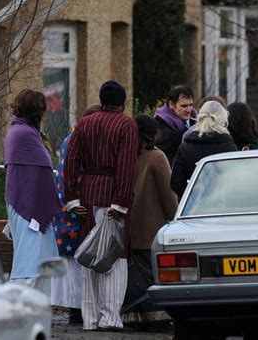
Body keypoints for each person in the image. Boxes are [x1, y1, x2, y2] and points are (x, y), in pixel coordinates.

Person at [63, 80, 138, 331]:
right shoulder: (127, 124)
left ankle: (90, 318)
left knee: (89, 253)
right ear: (123, 101)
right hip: (112, 196)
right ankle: (110, 318)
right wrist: (121, 201)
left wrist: (72, 198)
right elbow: (127, 166)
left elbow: (71, 160)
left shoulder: (85, 123)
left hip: (87, 194)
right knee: (115, 255)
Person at [121, 114, 178, 324]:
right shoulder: (157, 157)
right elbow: (168, 194)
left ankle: (133, 317)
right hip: (152, 228)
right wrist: (176, 219)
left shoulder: (125, 155)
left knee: (133, 278)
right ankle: (156, 318)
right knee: (152, 276)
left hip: (128, 227)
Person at [3, 89, 60, 294]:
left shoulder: (21, 131)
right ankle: (14, 311)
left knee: (40, 265)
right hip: (29, 207)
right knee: (29, 266)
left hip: (27, 203)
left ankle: (36, 314)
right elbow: (40, 170)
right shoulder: (24, 134)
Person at [50, 105, 101, 324]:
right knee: (81, 261)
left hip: (64, 209)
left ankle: (75, 308)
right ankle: (79, 309)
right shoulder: (81, 142)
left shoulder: (68, 140)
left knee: (73, 265)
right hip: (78, 208)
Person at [171, 100, 238, 199]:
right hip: (222, 203)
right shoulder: (229, 147)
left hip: (192, 207)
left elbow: (176, 183)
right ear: (223, 118)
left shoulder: (185, 147)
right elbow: (235, 180)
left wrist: (190, 197)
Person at [154, 85, 197, 164]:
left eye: (190, 105)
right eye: (184, 106)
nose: (189, 110)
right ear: (171, 105)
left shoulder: (195, 118)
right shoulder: (160, 124)